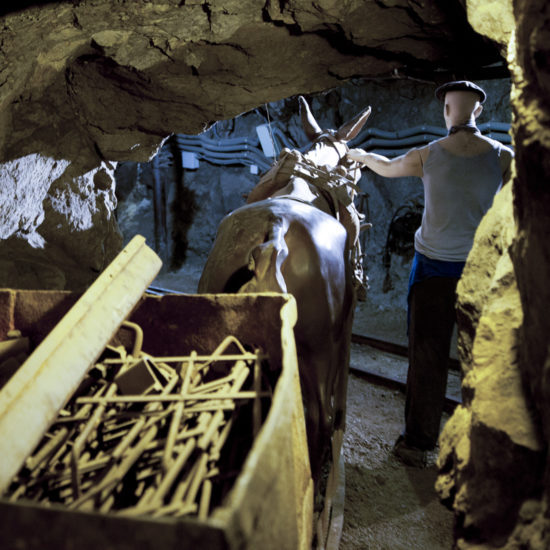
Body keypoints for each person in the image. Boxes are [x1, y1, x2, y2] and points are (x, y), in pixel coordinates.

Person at [347, 80, 514, 466]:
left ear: (447, 111)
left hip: (432, 272)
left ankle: (418, 444)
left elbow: (387, 167)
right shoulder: (503, 156)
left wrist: (361, 155)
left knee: (426, 358)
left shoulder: (429, 154)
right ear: (479, 111)